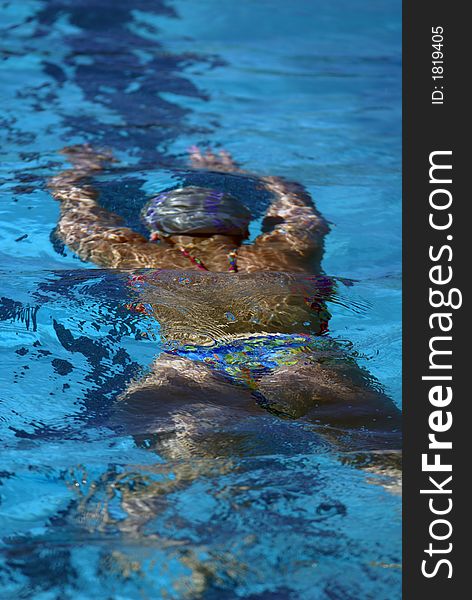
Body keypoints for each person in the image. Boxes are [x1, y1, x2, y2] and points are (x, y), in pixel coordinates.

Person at [49, 144, 401, 458]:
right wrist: (257, 175)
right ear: (243, 228)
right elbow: (301, 211)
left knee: (176, 477)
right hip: (297, 356)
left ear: (157, 233)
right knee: (387, 457)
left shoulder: (138, 256)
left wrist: (81, 174)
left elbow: (77, 224)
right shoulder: (288, 251)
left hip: (193, 363)